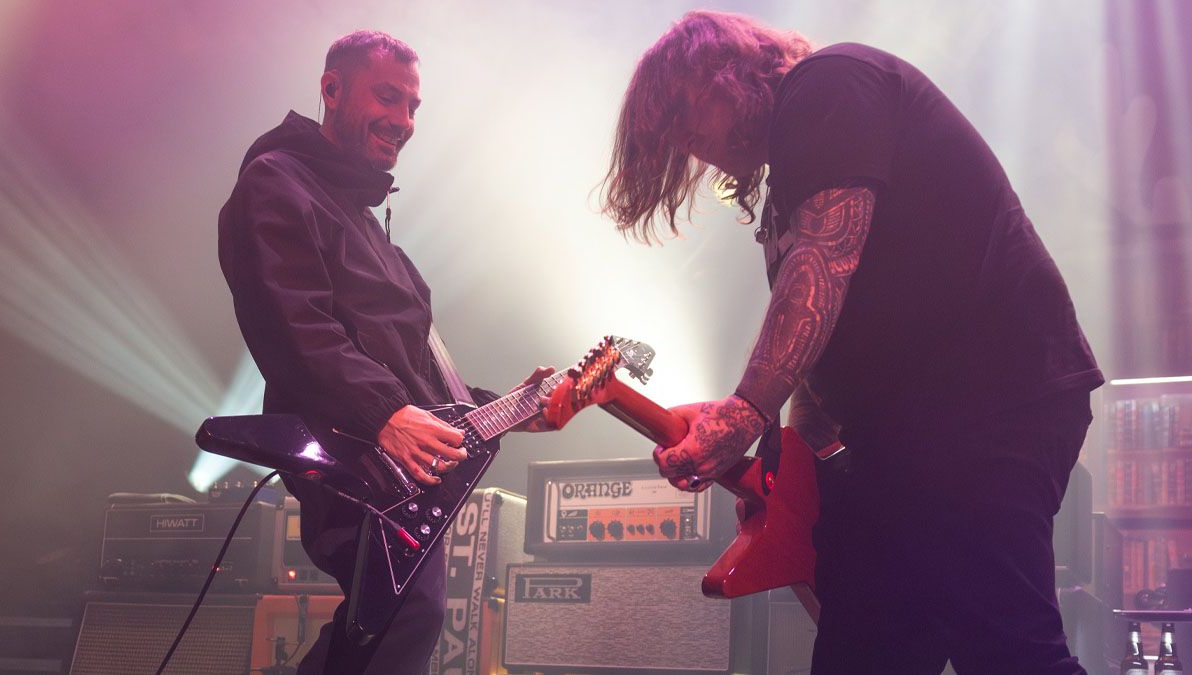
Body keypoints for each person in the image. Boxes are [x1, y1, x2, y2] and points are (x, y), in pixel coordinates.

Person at [602, 11, 1103, 674]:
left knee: (1007, 646)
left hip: (990, 403)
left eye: (687, 116)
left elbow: (824, 263)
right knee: (863, 650)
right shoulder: (790, 175)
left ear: (727, 73)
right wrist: (785, 481)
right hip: (899, 438)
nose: (692, 145)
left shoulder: (831, 82)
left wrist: (747, 409)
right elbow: (823, 346)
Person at [218, 31, 550, 674]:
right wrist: (385, 416)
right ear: (332, 89)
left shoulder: (366, 222)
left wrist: (511, 407)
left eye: (413, 107)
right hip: (348, 447)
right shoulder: (275, 182)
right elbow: (294, 327)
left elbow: (411, 374)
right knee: (401, 618)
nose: (402, 121)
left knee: (392, 625)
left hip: (387, 452)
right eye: (388, 98)